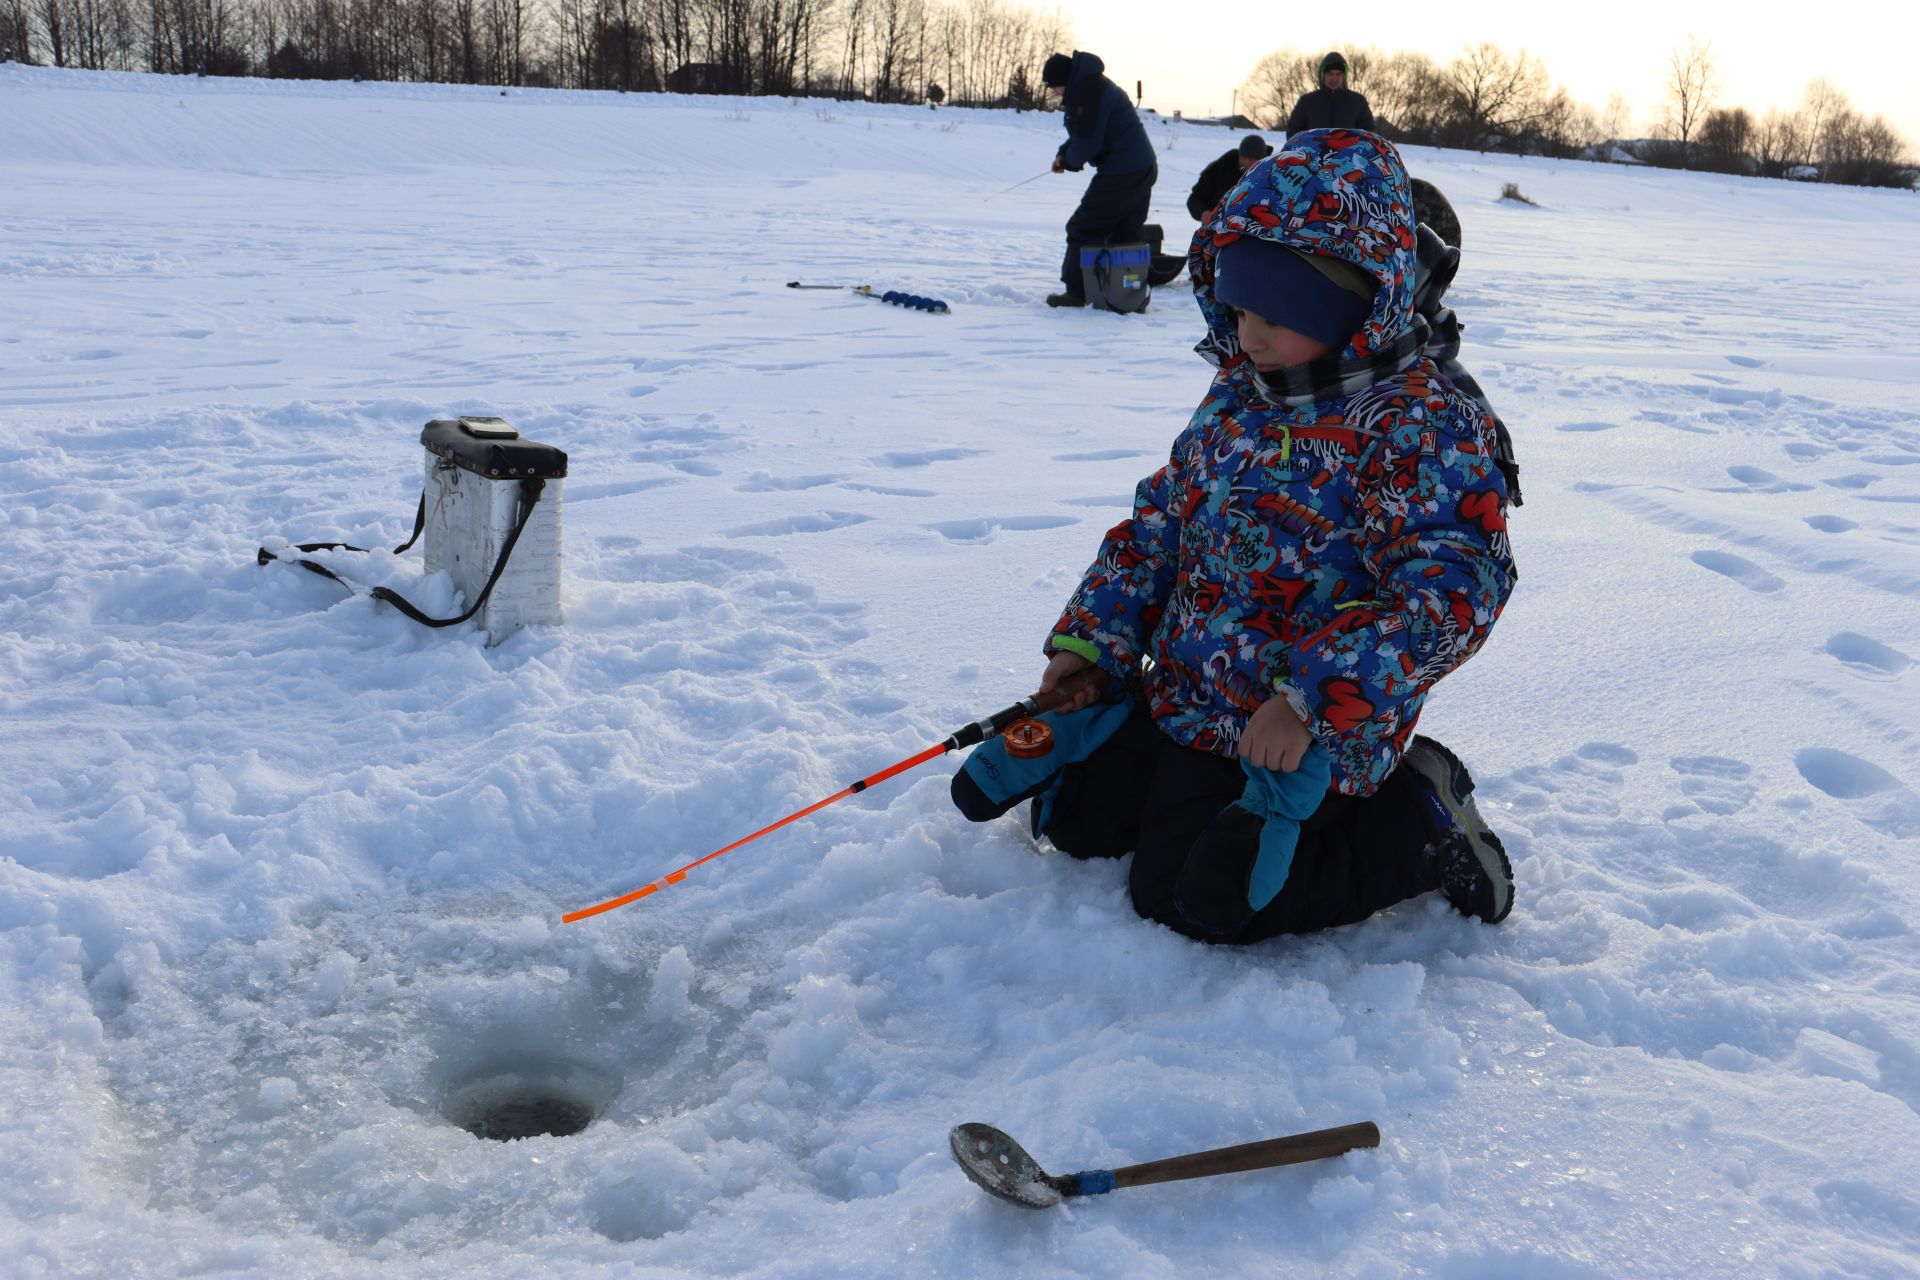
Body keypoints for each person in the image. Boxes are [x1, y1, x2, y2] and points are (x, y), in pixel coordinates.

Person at [953, 128, 1519, 945]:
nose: (1249, 333)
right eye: (1240, 304)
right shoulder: (1241, 392)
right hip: (1189, 693)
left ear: (1358, 300)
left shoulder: (1422, 425)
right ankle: (1114, 725)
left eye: (1279, 314)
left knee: (1195, 895)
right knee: (1077, 821)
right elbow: (1160, 525)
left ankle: (1415, 825)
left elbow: (1455, 592)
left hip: (1306, 727)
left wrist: (1313, 700)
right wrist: (1094, 642)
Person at [1041, 50, 1158, 309]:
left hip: (1122, 171)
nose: (1054, 93)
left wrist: (1069, 161)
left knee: (1083, 227)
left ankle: (1076, 292)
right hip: (1142, 167)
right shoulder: (1092, 85)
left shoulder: (1087, 93)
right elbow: (1085, 134)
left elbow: (1088, 143)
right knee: (1126, 233)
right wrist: (1064, 154)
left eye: (1053, 86)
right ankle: (1128, 296)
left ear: (1063, 80)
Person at [1186, 133, 1272, 221]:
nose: (1246, 162)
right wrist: (1203, 213)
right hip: (1218, 227)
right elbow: (1195, 198)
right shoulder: (1219, 170)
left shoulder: (1273, 174)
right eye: (1244, 157)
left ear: (1262, 159)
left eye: (1252, 159)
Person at [1286, 52, 1374, 137]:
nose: (1334, 78)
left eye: (1338, 74)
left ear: (1344, 76)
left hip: (1349, 151)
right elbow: (1293, 131)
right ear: (1322, 75)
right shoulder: (1307, 101)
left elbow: (1369, 133)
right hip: (1314, 151)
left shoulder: (1357, 101)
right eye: (1330, 74)